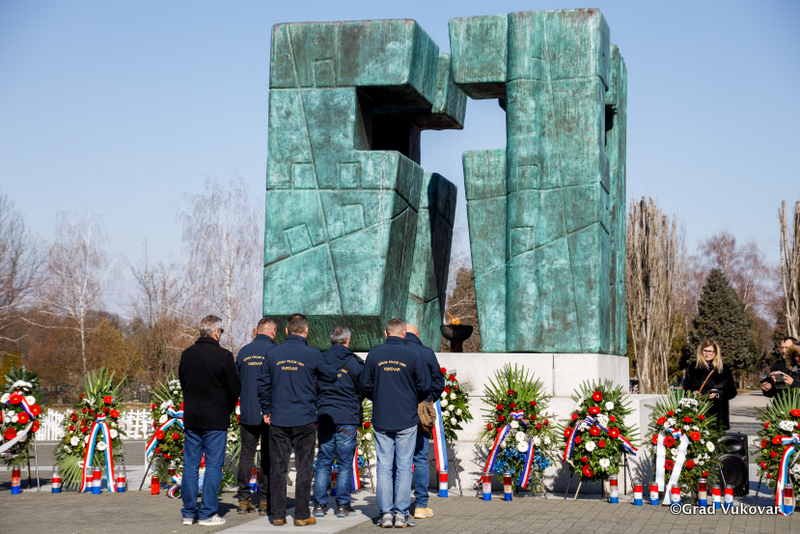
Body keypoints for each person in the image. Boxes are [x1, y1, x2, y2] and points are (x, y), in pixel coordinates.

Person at [258, 314, 337, 527]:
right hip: (305, 417)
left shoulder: (273, 353)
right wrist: (315, 382)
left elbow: (263, 384)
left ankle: (278, 514)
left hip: (279, 418)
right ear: (306, 330)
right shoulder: (313, 354)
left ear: (286, 331)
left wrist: (267, 409)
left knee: (278, 467)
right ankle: (301, 514)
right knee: (304, 467)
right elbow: (331, 375)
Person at [360, 318, 431, 529]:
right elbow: (424, 386)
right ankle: (400, 514)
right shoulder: (414, 355)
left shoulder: (375, 354)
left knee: (384, 466)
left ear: (385, 333)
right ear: (403, 334)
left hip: (382, 417)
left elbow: (365, 385)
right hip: (406, 417)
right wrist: (410, 398)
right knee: (403, 466)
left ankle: (385, 514)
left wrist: (379, 397)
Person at [179, 315, 241, 527]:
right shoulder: (223, 356)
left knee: (190, 465)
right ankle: (207, 513)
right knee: (214, 466)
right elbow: (234, 388)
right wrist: (227, 408)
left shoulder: (186, 354)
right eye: (221, 331)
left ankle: (188, 513)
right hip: (215, 418)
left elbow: (184, 382)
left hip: (192, 417)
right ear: (216, 332)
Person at [312, 326, 364, 519]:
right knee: (344, 463)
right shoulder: (356, 362)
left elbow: (313, 386)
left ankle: (319, 505)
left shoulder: (320, 359)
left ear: (331, 340)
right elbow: (365, 387)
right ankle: (343, 506)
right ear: (348, 341)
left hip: (325, 414)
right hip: (347, 417)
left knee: (324, 461)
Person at [234, 317, 276, 516]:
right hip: (269, 414)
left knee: (246, 455)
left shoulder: (243, 352)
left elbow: (236, 382)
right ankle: (265, 501)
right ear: (272, 332)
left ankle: (243, 499)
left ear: (257, 330)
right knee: (267, 456)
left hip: (248, 413)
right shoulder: (274, 352)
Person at [405, 324, 444, 521]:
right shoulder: (426, 352)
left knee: (399, 459)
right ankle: (421, 505)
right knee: (420, 457)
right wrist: (429, 400)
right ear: (418, 335)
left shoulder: (395, 351)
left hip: (399, 410)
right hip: (421, 410)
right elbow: (439, 382)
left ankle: (398, 504)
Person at [683, 340, 737, 429]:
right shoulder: (693, 367)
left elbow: (732, 391)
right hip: (697, 413)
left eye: (710, 351)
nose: (707, 354)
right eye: (705, 351)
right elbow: (686, 386)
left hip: (717, 415)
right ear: (701, 351)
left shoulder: (723, 369)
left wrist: (718, 392)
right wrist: (693, 392)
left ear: (715, 352)